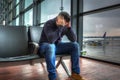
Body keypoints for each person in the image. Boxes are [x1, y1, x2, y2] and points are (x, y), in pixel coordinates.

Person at [39, 11, 85, 80]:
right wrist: (60, 27)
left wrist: (69, 28)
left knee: (75, 45)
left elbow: (73, 39)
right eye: (65, 24)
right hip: (45, 46)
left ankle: (75, 74)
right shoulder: (49, 23)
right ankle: (53, 78)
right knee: (51, 46)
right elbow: (51, 40)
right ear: (58, 19)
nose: (65, 25)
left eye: (66, 24)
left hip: (57, 46)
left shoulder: (65, 25)